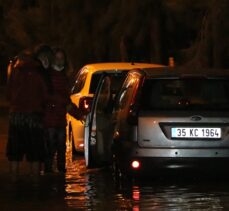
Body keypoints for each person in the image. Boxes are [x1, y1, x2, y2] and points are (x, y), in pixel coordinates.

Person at [6, 45, 53, 182]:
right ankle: (35, 188)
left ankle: (14, 186)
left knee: (14, 154)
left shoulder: (14, 70)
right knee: (35, 155)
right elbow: (46, 94)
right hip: (34, 117)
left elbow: (8, 94)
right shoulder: (40, 71)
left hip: (16, 116)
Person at [44, 48, 70, 173]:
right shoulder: (49, 76)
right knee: (51, 147)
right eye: (57, 58)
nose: (60, 61)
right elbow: (46, 95)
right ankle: (49, 171)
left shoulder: (63, 76)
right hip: (50, 119)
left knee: (61, 147)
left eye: (62, 58)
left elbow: (67, 99)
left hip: (60, 119)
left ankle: (60, 172)